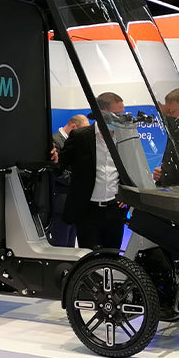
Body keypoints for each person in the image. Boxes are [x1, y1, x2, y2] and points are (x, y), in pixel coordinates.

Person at [55, 92, 128, 250]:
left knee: (112, 257)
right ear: (102, 114)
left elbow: (131, 170)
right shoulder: (80, 136)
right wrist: (53, 161)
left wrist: (127, 195)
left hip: (115, 211)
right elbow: (59, 167)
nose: (121, 119)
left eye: (122, 114)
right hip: (87, 212)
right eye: (117, 114)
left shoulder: (125, 138)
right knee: (89, 258)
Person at [49, 114, 89, 247]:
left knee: (71, 246)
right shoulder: (54, 141)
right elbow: (56, 172)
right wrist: (79, 180)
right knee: (60, 245)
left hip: (74, 202)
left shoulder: (77, 143)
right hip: (61, 202)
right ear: (74, 127)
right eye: (83, 131)